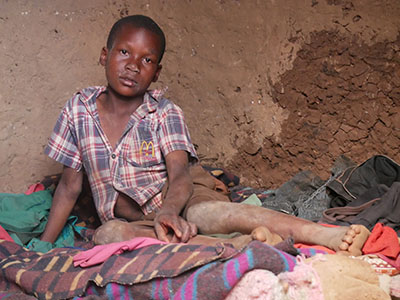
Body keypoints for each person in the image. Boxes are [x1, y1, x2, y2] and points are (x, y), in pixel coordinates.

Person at [41, 15, 369, 256]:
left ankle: (317, 234)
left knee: (205, 214)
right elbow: (70, 187)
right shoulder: (78, 109)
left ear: (156, 73)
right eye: (124, 52)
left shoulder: (164, 112)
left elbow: (181, 175)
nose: (133, 66)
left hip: (182, 196)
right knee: (107, 235)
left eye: (147, 60)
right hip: (142, 221)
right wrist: (42, 246)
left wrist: (170, 211)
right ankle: (243, 246)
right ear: (104, 55)